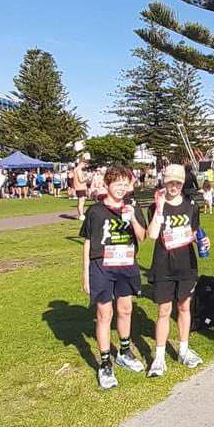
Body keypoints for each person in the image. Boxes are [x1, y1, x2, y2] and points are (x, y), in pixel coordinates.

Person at [79, 165, 148, 389]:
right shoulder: (95, 211)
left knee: (126, 309)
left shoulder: (132, 207)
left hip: (126, 263)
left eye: (124, 183)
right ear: (107, 184)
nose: (120, 187)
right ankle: (105, 362)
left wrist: (133, 219)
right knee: (103, 313)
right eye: (116, 182)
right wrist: (86, 274)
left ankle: (125, 352)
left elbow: (143, 237)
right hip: (102, 265)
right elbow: (88, 242)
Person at [145, 164, 209, 376]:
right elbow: (152, 234)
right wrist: (161, 208)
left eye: (178, 183)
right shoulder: (155, 206)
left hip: (186, 264)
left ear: (183, 184)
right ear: (164, 181)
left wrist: (203, 240)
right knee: (164, 311)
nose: (173, 186)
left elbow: (194, 233)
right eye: (170, 182)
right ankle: (160, 356)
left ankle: (183, 349)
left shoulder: (192, 207)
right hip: (163, 264)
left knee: (184, 307)